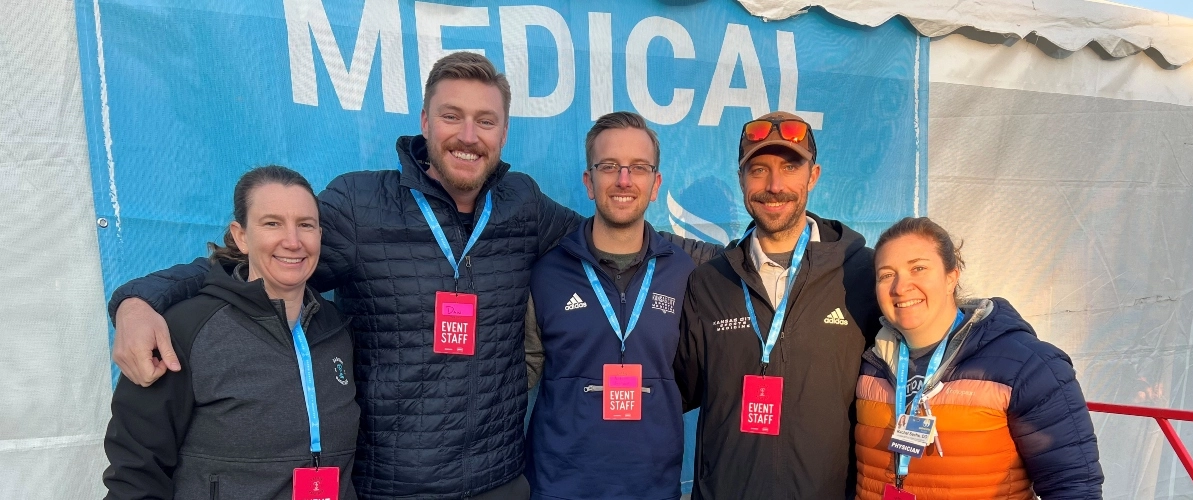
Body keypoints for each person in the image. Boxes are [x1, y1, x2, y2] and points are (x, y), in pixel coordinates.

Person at [105, 53, 713, 499]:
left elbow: (611, 233)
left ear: (504, 132)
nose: (468, 136)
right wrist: (137, 299)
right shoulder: (359, 206)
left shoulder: (523, 207)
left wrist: (749, 260)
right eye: (453, 116)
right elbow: (263, 256)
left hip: (499, 481)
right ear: (425, 120)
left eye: (486, 121)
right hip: (394, 485)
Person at [102, 166, 359, 499]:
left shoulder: (337, 329)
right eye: (272, 223)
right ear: (241, 236)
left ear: (320, 236)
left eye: (305, 225)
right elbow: (135, 474)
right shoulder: (185, 329)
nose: (293, 241)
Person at [674, 111, 880, 499]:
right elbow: (678, 388)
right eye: (758, 170)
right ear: (741, 180)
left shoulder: (862, 275)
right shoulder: (709, 283)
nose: (774, 185)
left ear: (813, 176)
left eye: (789, 167)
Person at [524, 112, 705, 499]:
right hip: (560, 487)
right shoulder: (547, 272)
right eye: (609, 167)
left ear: (655, 184)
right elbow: (522, 375)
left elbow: (693, 377)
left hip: (652, 487)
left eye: (638, 168)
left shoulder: (685, 272)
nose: (624, 180)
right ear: (589, 182)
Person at [854, 217, 1103, 499]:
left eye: (918, 268)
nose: (900, 287)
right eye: (886, 275)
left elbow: (1073, 487)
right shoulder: (868, 363)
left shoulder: (1030, 366)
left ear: (951, 276)